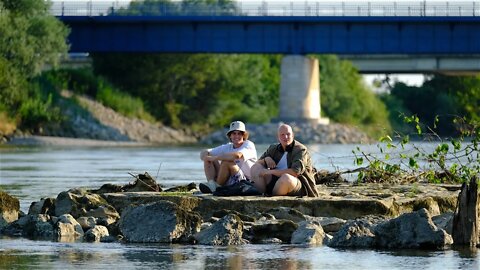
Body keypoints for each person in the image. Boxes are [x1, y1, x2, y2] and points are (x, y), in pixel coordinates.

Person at [250, 123, 319, 197]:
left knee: (286, 178)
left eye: (288, 134)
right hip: (275, 181)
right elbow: (258, 163)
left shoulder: (300, 150)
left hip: (296, 184)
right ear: (278, 137)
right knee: (255, 167)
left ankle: (271, 198)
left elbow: (295, 172)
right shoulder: (273, 148)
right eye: (282, 135)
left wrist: (270, 171)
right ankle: (261, 194)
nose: (285, 137)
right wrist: (266, 159)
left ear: (292, 135)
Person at [199, 121, 257, 193]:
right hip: (231, 178)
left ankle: (217, 186)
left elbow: (237, 156)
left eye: (239, 134)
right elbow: (205, 152)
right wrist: (206, 156)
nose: (236, 136)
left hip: (246, 182)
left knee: (227, 162)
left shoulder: (248, 145)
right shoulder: (227, 146)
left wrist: (216, 158)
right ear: (230, 135)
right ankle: (212, 184)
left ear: (243, 135)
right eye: (234, 133)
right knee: (209, 156)